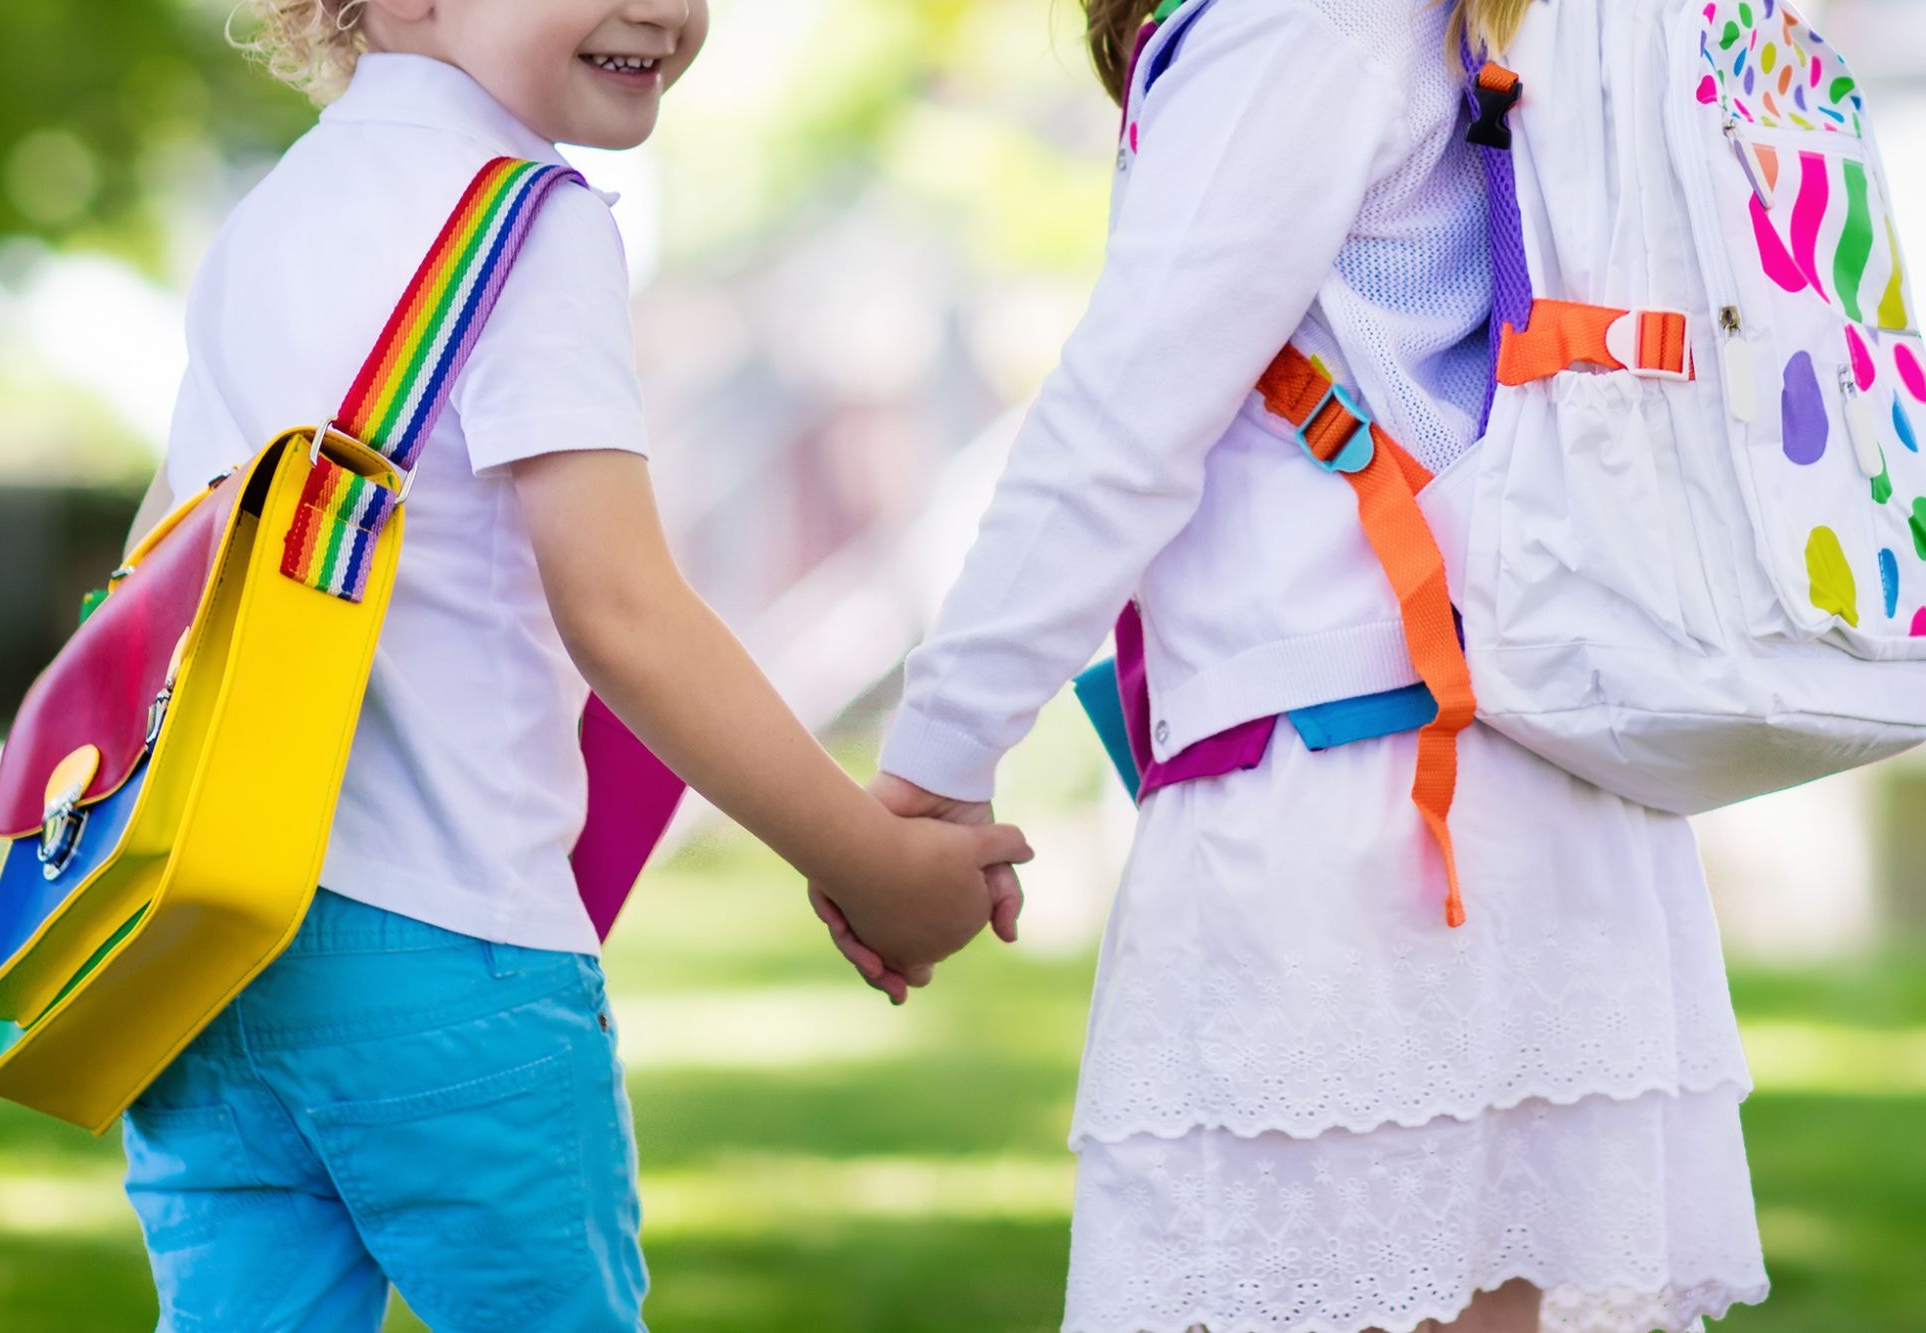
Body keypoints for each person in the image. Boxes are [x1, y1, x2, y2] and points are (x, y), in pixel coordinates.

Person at [819, 0, 1772, 1329]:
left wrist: (934, 766)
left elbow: (1119, 423)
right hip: (1534, 776)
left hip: (1354, 822)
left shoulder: (1297, 26)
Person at [115, 1, 1029, 1328]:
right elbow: (623, 609)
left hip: (201, 959)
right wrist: (874, 863)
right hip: (447, 957)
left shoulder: (271, 217)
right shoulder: (528, 223)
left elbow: (160, 568)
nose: (665, 9)